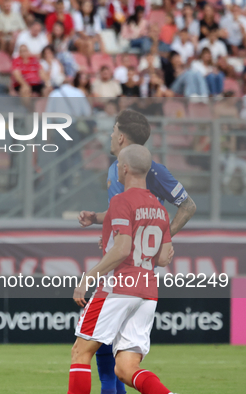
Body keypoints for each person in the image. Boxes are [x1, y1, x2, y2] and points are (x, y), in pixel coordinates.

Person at [77, 109, 197, 394]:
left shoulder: (149, 168)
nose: (109, 134)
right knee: (119, 361)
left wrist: (158, 240)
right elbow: (128, 211)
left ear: (120, 136)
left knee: (92, 351)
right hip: (131, 267)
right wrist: (98, 218)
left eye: (113, 128)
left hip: (126, 268)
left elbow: (188, 206)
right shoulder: (120, 166)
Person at [68, 144, 175, 394]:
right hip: (147, 291)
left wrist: (87, 278)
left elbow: (123, 248)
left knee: (81, 352)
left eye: (118, 164)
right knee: (126, 369)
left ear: (124, 168)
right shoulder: (160, 209)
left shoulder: (121, 200)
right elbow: (162, 259)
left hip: (120, 286)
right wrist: (98, 220)